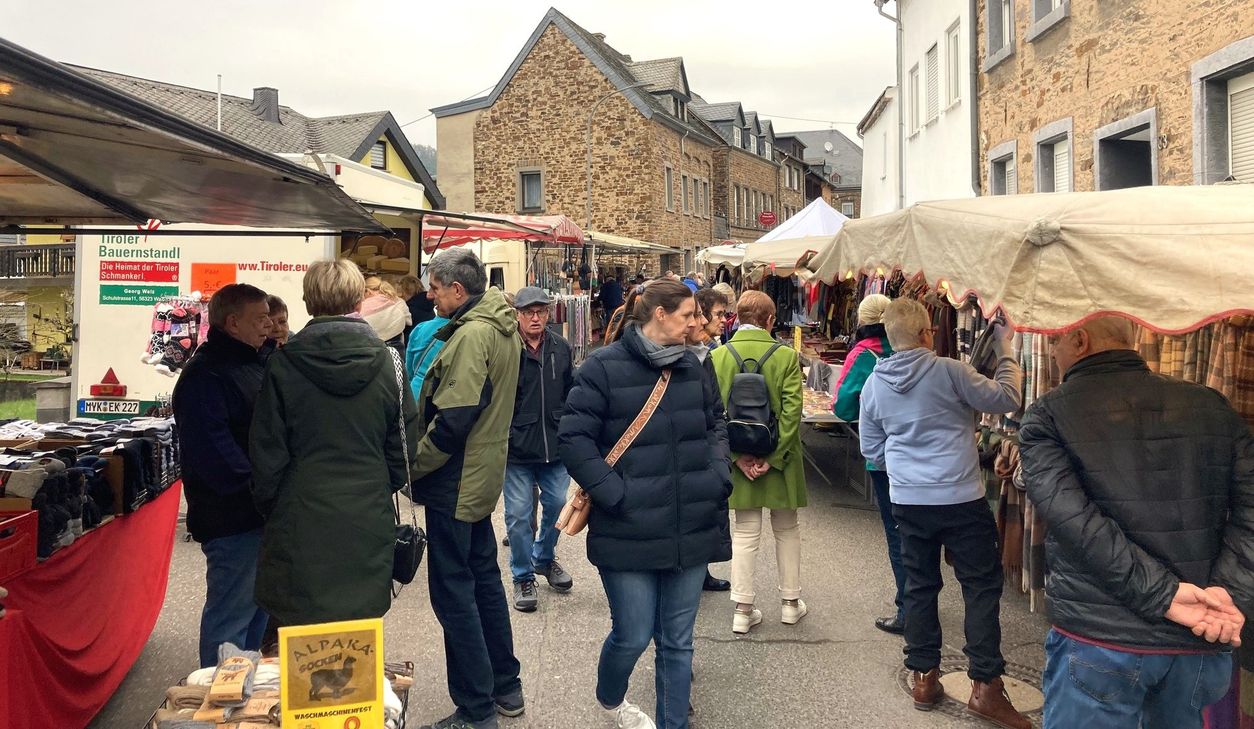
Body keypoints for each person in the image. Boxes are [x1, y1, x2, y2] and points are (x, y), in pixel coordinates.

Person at [1019, 316, 1253, 729]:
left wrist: (1166, 596)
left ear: (1079, 338)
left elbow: (1076, 525)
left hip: (1101, 641)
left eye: (1054, 342)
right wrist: (1224, 594)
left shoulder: (1048, 415)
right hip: (1196, 640)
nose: (1052, 353)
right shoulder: (1211, 405)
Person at [559, 279, 731, 729]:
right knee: (632, 635)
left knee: (678, 642)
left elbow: (716, 423)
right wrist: (614, 494)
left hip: (690, 522)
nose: (698, 323)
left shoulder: (696, 366)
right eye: (689, 315)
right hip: (628, 526)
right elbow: (574, 439)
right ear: (659, 314)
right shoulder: (602, 367)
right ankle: (610, 696)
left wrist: (718, 475)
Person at [858, 298, 1030, 728]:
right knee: (979, 586)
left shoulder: (874, 385)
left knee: (920, 585)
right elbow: (1007, 397)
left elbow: (871, 450)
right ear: (925, 333)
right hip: (959, 496)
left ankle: (924, 676)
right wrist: (1006, 350)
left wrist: (905, 465)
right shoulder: (950, 372)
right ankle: (986, 686)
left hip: (909, 500)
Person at [249, 259, 418, 628]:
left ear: (309, 303)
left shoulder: (283, 364)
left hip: (300, 512)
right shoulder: (391, 363)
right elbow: (404, 449)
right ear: (357, 302)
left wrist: (273, 505)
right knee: (358, 631)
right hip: (367, 511)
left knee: (301, 629)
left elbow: (267, 452)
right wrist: (377, 485)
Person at [410, 248, 524, 729]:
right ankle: (505, 687)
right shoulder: (499, 325)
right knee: (482, 585)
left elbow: (453, 421)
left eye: (435, 287)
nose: (429, 295)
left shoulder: (473, 334)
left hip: (456, 481)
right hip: (478, 478)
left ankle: (476, 709)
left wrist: (411, 468)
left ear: (459, 290)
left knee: (454, 596)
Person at [170, 283, 273, 668]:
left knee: (256, 612)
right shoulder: (206, 375)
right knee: (231, 615)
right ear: (233, 323)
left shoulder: (253, 362)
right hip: (232, 517)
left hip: (259, 512)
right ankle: (218, 705)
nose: (268, 325)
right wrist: (260, 489)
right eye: (260, 318)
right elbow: (215, 453)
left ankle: (244, 700)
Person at [710, 290, 807, 633]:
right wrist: (775, 456)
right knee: (787, 529)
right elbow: (794, 411)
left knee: (745, 532)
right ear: (769, 320)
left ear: (737, 318)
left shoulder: (719, 356)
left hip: (739, 458)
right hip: (780, 459)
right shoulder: (785, 356)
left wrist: (738, 458)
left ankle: (743, 608)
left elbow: (714, 415)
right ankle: (791, 604)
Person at [831, 294, 903, 634]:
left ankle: (909, 606)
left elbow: (842, 406)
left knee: (898, 532)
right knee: (921, 532)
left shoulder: (864, 354)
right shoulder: (911, 347)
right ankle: (923, 597)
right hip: (921, 453)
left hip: (884, 456)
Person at [505, 287, 575, 613]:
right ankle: (522, 575)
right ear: (517, 314)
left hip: (555, 444)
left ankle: (543, 558)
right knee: (519, 516)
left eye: (541, 311)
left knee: (559, 506)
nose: (536, 318)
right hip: (516, 448)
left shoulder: (560, 348)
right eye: (529, 312)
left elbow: (571, 393)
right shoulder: (506, 348)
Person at [406, 313, 450, 399]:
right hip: (440, 396)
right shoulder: (460, 331)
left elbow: (409, 371)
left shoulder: (420, 328)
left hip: (415, 392)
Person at [361, 275, 412, 348]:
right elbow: (409, 322)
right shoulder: (398, 302)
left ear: (368, 291)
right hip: (396, 349)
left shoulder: (364, 307)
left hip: (373, 350)